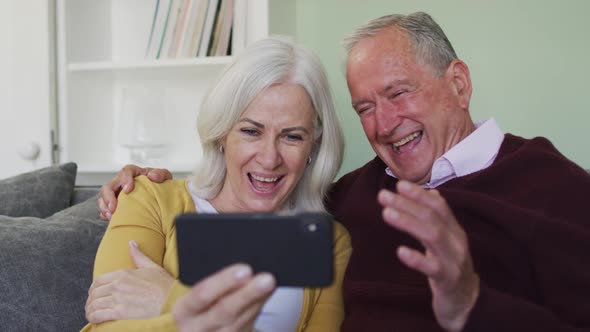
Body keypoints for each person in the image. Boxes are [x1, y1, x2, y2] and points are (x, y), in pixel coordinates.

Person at [99, 12, 590, 332]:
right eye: (364, 107)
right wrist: (144, 184)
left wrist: (472, 304)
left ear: (458, 84)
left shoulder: (557, 190)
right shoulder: (349, 202)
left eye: (399, 93)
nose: (383, 124)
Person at [83, 37, 351, 331]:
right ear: (222, 133)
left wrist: (177, 302)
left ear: (314, 145)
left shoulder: (329, 243)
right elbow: (107, 327)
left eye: (292, 136)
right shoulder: (148, 199)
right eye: (251, 131)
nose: (269, 158)